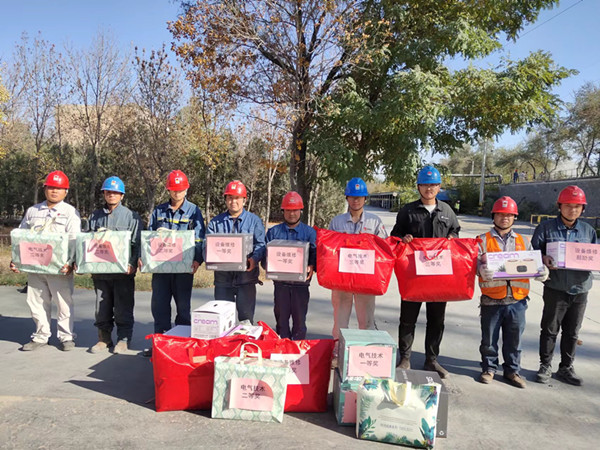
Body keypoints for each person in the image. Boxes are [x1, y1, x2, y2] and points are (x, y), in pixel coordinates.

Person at [390, 165, 460, 378]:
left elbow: (455, 231)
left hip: (439, 276)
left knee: (437, 320)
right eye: (425, 185)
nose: (429, 189)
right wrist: (403, 239)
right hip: (414, 275)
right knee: (407, 318)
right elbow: (395, 236)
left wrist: (452, 239)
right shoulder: (408, 211)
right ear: (418, 187)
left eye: (433, 185)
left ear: (439, 187)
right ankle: (405, 358)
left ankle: (432, 360)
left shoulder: (447, 211)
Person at [477, 197, 548, 388]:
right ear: (494, 216)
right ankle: (489, 369)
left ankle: (512, 371)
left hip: (517, 300)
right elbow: (473, 262)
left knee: (514, 340)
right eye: (501, 214)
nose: (505, 218)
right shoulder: (482, 240)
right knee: (489, 340)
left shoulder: (523, 240)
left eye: (509, 215)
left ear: (514, 217)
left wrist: (541, 270)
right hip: (492, 299)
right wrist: (480, 269)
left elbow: (533, 262)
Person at [531, 185, 597, 386]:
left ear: (583, 209)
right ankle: (545, 365)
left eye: (577, 206)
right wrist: (543, 258)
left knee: (572, 331)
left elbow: (594, 256)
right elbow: (533, 253)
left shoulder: (588, 231)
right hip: (555, 288)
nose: (572, 210)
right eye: (568, 205)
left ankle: (566, 367)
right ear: (559, 206)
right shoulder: (545, 228)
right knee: (550, 329)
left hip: (580, 288)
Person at [10, 171, 81, 351]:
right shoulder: (33, 211)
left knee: (63, 303)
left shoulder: (70, 212)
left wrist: (71, 262)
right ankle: (41, 336)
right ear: (45, 189)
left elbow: (74, 240)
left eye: (58, 188)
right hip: (36, 267)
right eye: (51, 187)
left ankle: (66, 337)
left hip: (59, 268)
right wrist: (16, 260)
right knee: (36, 301)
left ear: (66, 191)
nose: (54, 191)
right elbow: (21, 237)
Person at [86, 176, 142, 354]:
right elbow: (86, 241)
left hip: (122, 273)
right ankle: (104, 339)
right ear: (104, 193)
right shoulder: (95, 216)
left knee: (123, 307)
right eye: (108, 192)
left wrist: (132, 264)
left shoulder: (131, 217)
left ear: (122, 195)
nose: (112, 195)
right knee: (101, 308)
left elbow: (137, 243)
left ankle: (123, 339)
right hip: (100, 273)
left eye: (116, 192)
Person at [147, 170, 205, 335]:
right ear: (168, 190)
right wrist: (145, 257)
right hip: (161, 268)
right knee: (159, 306)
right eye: (173, 189)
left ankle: (181, 340)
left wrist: (197, 259)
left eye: (180, 190)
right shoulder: (159, 211)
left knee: (183, 306)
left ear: (186, 189)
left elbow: (199, 238)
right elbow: (149, 236)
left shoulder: (194, 211)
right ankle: (160, 340)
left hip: (184, 268)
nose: (177, 193)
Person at [329, 177, 387, 340]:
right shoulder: (337, 222)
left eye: (359, 197)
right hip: (341, 279)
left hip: (366, 280)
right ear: (347, 198)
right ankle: (337, 350)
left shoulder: (375, 222)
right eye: (352, 197)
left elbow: (384, 249)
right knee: (340, 323)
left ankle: (365, 351)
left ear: (365, 198)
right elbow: (329, 249)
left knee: (366, 323)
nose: (356, 200)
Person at [207, 180, 265, 323]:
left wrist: (254, 259)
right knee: (223, 321)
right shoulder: (215, 223)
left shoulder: (254, 221)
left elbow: (261, 244)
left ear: (244, 200)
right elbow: (206, 245)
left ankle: (245, 338)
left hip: (246, 279)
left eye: (237, 198)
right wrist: (210, 259)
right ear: (225, 199)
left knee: (246, 320)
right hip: (222, 280)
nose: (233, 201)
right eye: (230, 197)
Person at [264, 191, 316, 340]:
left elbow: (315, 255)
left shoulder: (310, 233)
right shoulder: (273, 232)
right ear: (283, 211)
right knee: (281, 323)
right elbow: (264, 257)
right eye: (288, 210)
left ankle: (298, 350)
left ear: (301, 210)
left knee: (300, 322)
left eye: (295, 210)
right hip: (281, 286)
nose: (292, 214)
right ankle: (282, 349)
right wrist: (269, 266)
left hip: (301, 286)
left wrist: (311, 266)